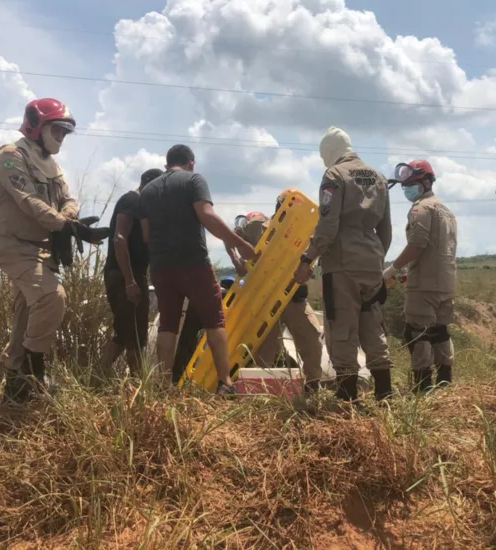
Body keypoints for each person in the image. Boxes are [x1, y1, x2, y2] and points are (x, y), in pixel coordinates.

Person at [0, 98, 109, 404]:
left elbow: (68, 198)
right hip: (10, 243)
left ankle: (14, 386)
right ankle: (33, 375)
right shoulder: (9, 157)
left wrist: (69, 217)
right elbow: (27, 200)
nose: (62, 138)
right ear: (37, 124)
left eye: (66, 133)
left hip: (40, 247)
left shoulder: (51, 164)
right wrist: (65, 226)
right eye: (58, 130)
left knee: (28, 311)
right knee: (52, 295)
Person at [139, 144, 256, 395]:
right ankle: (225, 383)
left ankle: (163, 385)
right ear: (191, 162)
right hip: (193, 262)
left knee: (168, 324)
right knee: (215, 319)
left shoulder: (148, 190)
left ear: (166, 163)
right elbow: (207, 215)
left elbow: (146, 235)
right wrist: (241, 244)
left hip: (160, 266)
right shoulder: (194, 180)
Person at [294, 126, 393, 402]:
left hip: (341, 262)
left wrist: (307, 258)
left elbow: (328, 224)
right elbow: (386, 230)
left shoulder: (334, 175)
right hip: (372, 260)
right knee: (372, 325)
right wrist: (375, 259)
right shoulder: (379, 177)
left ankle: (348, 396)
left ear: (329, 152)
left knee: (342, 326)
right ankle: (385, 393)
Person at [228, 200, 324, 392]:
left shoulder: (306, 228)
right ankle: (264, 393)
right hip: (265, 300)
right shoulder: (257, 225)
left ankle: (313, 387)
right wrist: (237, 261)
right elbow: (230, 236)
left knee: (312, 340)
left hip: (292, 297)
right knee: (264, 352)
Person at [383, 160, 457, 393]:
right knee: (440, 330)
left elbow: (417, 244)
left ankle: (423, 386)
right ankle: (445, 381)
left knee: (417, 331)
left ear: (425, 182)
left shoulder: (420, 209)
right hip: (446, 282)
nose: (407, 189)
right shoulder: (447, 211)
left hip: (424, 284)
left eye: (412, 184)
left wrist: (392, 269)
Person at [100, 168, 165, 378]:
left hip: (127, 274)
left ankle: (98, 377)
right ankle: (140, 386)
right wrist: (130, 281)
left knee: (123, 332)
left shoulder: (138, 203)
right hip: (125, 275)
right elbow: (119, 238)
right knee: (136, 336)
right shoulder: (132, 201)